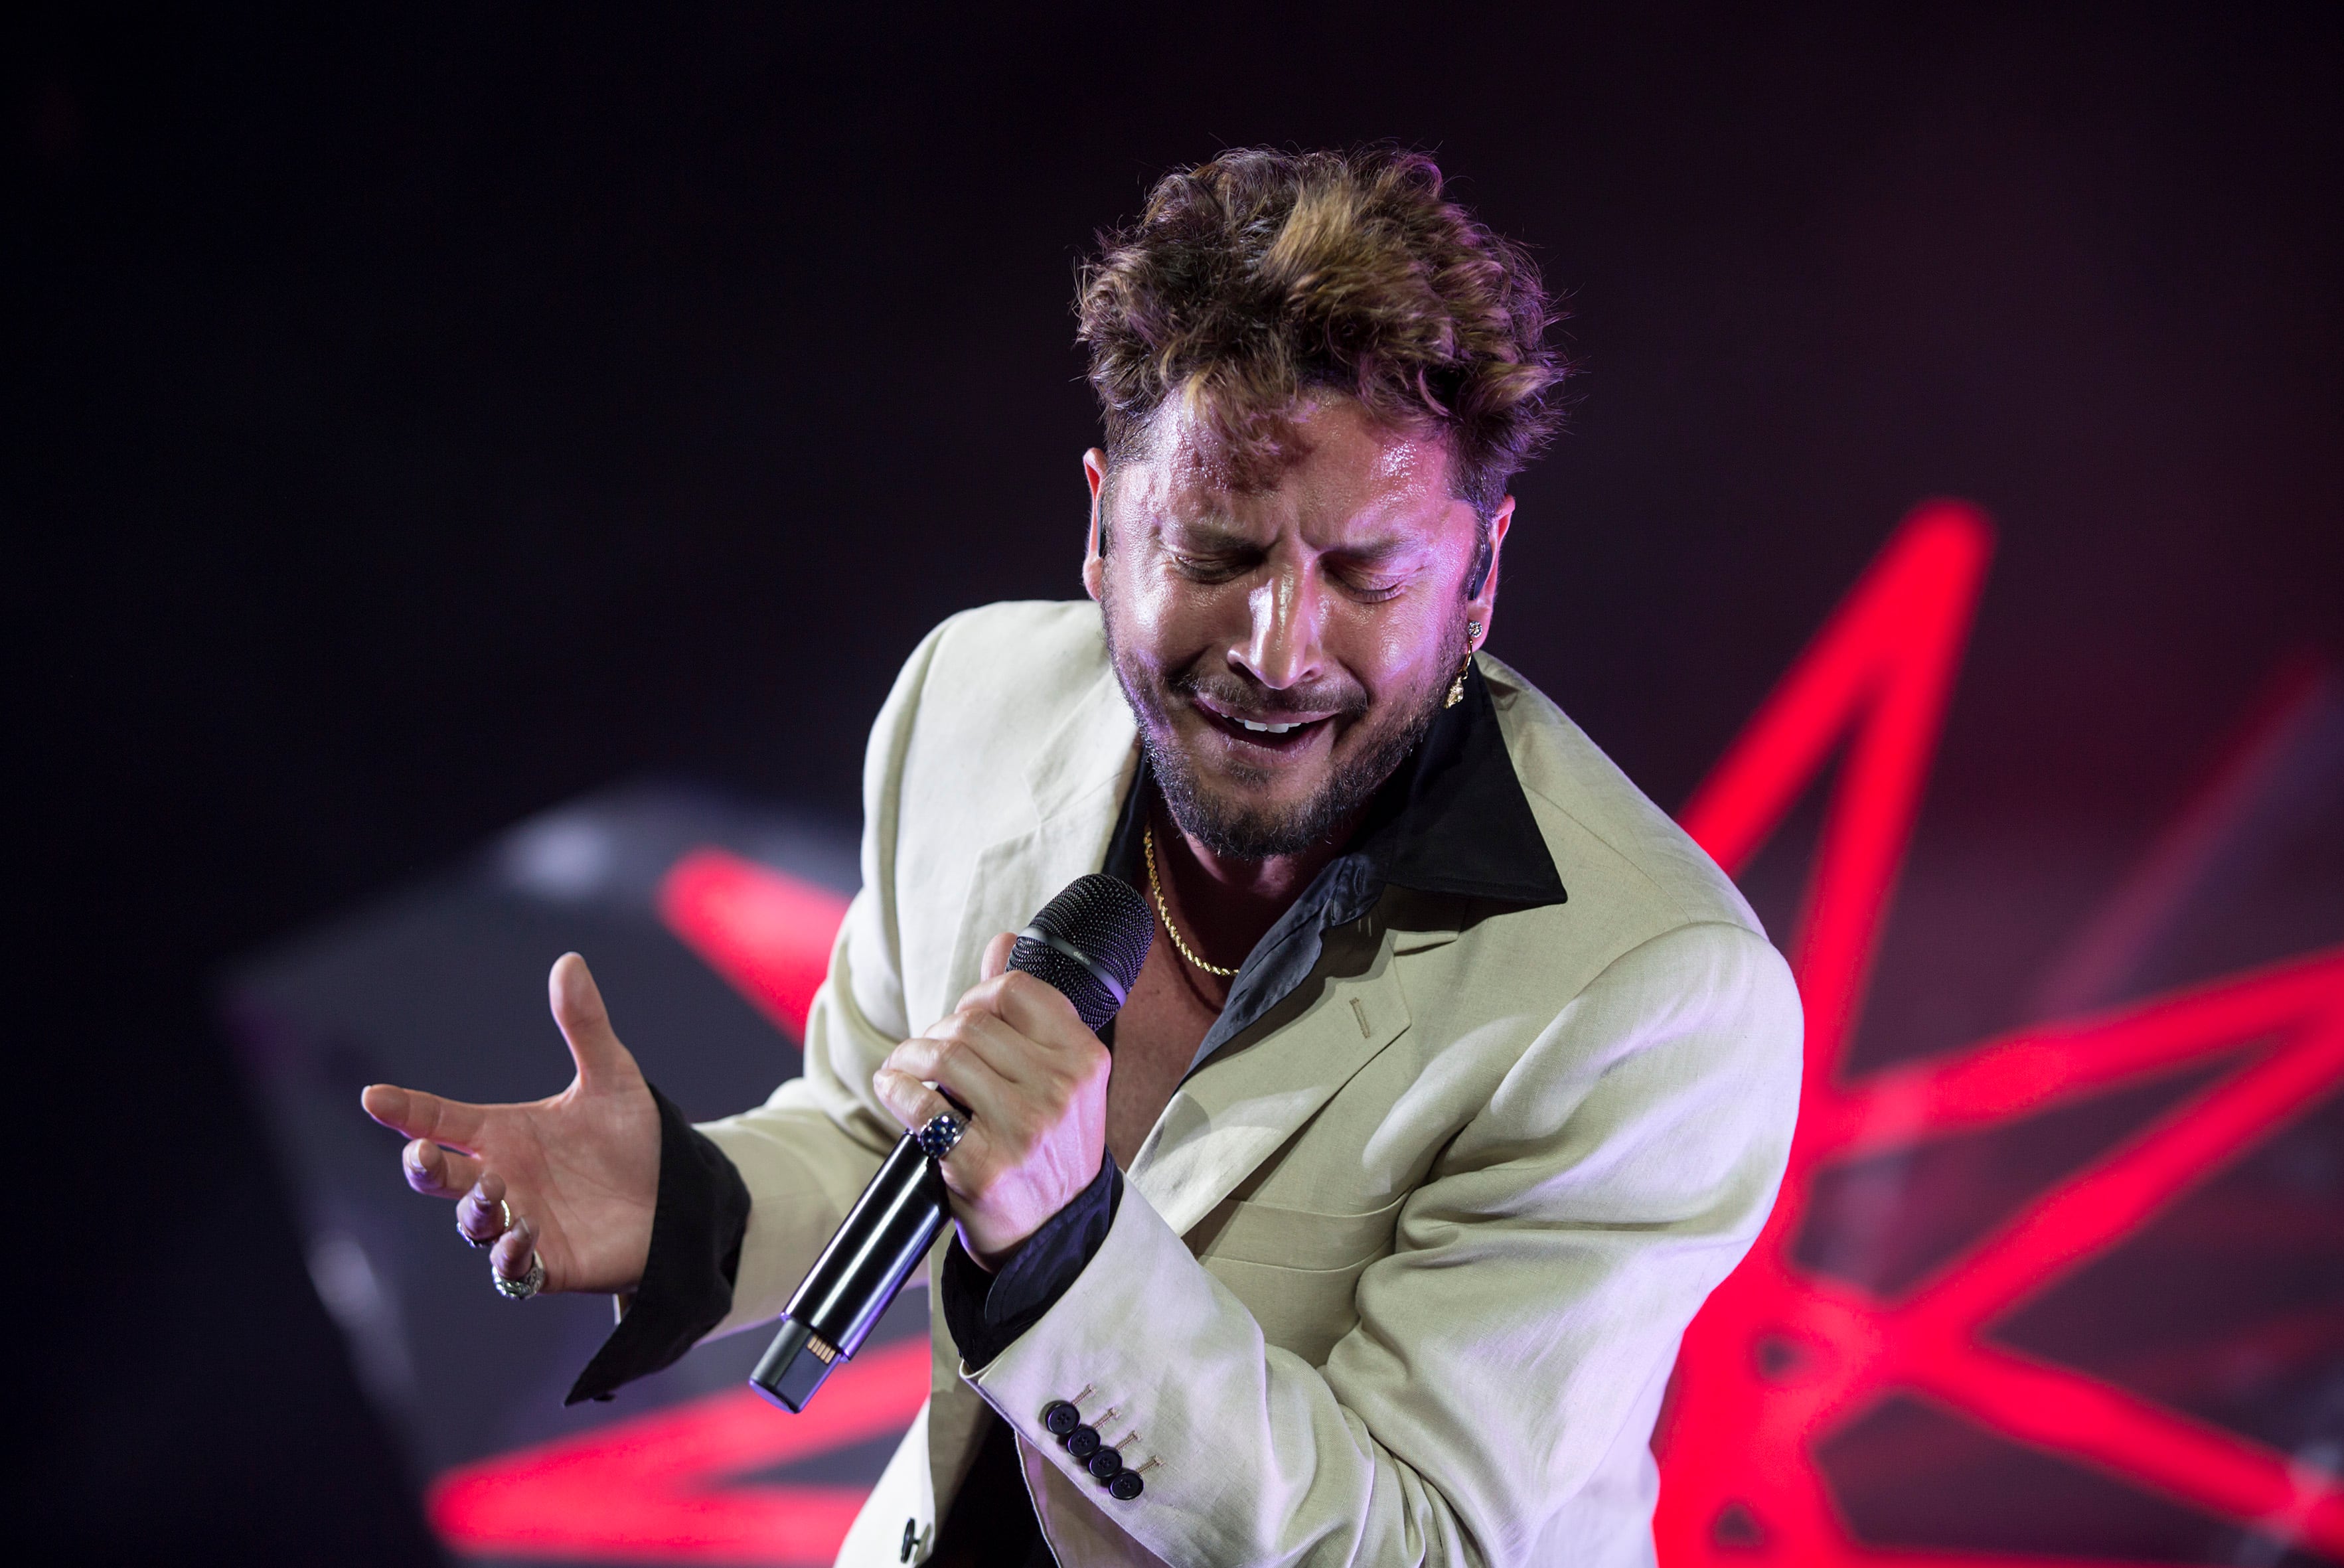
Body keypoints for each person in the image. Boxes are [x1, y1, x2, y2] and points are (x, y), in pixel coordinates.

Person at [363, 145, 1801, 1568]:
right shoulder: (968, 702)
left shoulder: (1648, 992)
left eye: (1366, 573)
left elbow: (1413, 1544)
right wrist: (690, 1201)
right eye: (1217, 551)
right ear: (1103, 526)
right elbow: (895, 1133)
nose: (1276, 648)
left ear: (1480, 570)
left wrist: (1064, 1251)